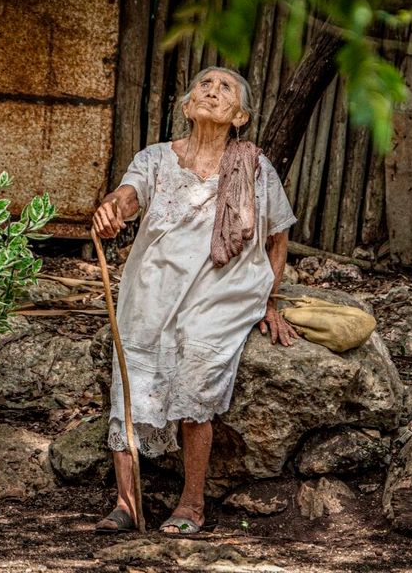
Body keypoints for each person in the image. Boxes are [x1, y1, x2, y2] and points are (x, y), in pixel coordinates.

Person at [92, 66, 298, 536]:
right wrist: (112, 211)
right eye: (204, 84)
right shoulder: (156, 159)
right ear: (187, 107)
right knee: (130, 381)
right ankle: (127, 504)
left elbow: (278, 236)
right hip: (153, 285)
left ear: (240, 117)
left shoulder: (254, 166)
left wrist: (270, 302)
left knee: (196, 377)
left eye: (225, 87)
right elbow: (128, 195)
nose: (212, 90)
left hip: (222, 290)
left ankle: (192, 505)